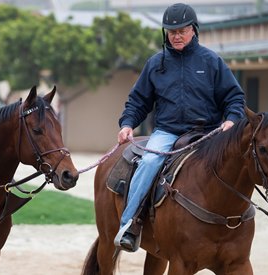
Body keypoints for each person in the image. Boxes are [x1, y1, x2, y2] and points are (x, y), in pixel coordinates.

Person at [114, 3, 245, 252]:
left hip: (209, 133)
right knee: (150, 163)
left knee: (237, 164)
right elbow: (138, 101)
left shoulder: (211, 61)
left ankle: (242, 221)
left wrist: (232, 119)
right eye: (171, 32)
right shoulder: (155, 64)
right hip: (167, 133)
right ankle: (130, 225)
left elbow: (234, 98)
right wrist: (128, 124)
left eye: (181, 31)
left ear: (193, 30)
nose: (176, 36)